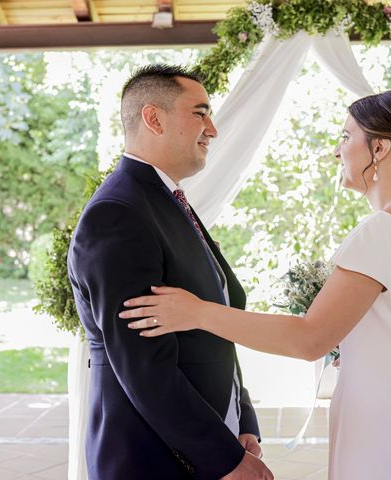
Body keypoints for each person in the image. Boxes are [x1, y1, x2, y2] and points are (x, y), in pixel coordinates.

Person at [121, 91, 391, 479]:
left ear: (379, 148)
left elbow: (309, 339)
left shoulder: (383, 231)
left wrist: (197, 312)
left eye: (345, 137)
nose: (337, 152)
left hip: (380, 430)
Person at [67, 64, 271, 480]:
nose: (212, 129)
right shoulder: (118, 213)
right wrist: (224, 459)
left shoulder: (165, 198)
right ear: (153, 118)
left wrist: (241, 417)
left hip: (206, 437)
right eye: (199, 113)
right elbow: (144, 367)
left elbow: (214, 321)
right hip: (151, 458)